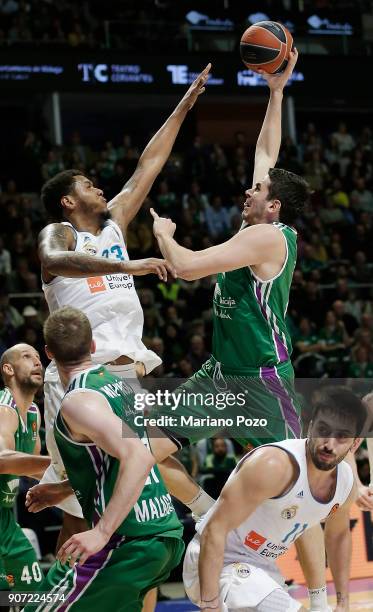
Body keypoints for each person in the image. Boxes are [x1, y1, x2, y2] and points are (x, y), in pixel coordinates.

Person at [150, 48, 354, 603]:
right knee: (145, 443)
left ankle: (315, 596)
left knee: (300, 490)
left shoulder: (266, 238)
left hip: (263, 382)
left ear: (274, 210)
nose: (248, 189)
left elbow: (188, 268)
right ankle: (203, 508)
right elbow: (268, 151)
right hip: (221, 374)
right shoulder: (265, 218)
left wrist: (165, 234)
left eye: (257, 192)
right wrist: (276, 92)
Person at [36, 65, 211, 547]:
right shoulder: (59, 234)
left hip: (121, 367)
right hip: (77, 373)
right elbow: (55, 260)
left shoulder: (113, 225)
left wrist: (184, 105)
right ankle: (68, 589)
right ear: (68, 202)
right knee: (81, 505)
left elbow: (147, 166)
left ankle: (209, 513)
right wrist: (127, 268)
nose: (98, 188)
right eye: (87, 185)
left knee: (148, 458)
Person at [25, 307, 184, 611]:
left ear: (48, 353)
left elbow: (137, 454)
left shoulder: (78, 401)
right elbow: (117, 461)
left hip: (128, 540)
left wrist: (102, 531)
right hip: (162, 533)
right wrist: (64, 488)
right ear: (94, 346)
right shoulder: (119, 385)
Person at [183, 386, 366, 612]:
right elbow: (214, 529)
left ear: (355, 443)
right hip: (219, 563)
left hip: (262, 568)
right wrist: (210, 605)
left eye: (341, 437)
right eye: (323, 430)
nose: (329, 444)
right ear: (310, 427)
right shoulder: (274, 464)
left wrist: (342, 603)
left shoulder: (345, 485)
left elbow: (338, 536)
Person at [0, 343, 50, 593]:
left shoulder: (33, 412)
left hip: (6, 520)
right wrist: (64, 465)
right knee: (4, 598)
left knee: (32, 597)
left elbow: (33, 467)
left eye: (39, 357)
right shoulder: (3, 408)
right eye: (27, 357)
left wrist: (70, 483)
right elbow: (2, 460)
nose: (37, 361)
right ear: (8, 369)